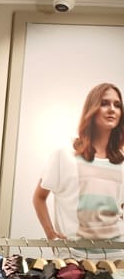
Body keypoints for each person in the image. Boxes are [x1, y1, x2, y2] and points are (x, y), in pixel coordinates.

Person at [33, 82, 124, 241]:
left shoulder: (121, 161)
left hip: (117, 251)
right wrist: (51, 235)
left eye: (117, 105)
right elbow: (39, 197)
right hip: (74, 252)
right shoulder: (64, 154)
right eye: (104, 103)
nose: (111, 109)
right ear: (92, 109)